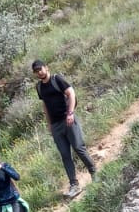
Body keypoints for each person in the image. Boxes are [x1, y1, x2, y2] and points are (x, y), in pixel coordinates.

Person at [32, 60, 97, 197]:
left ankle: (94, 173)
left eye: (40, 69)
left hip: (68, 120)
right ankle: (74, 184)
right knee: (65, 155)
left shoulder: (57, 79)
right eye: (36, 71)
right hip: (56, 125)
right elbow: (45, 105)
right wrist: (49, 124)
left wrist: (70, 113)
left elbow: (71, 93)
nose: (39, 72)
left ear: (46, 67)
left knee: (79, 148)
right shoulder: (39, 87)